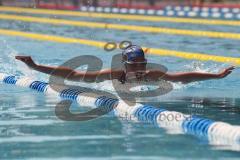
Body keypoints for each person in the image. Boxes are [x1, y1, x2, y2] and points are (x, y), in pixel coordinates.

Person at [15, 45, 234, 84]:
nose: (140, 67)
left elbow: (182, 77)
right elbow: (74, 75)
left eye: (143, 63)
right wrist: (35, 67)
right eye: (135, 64)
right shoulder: (112, 74)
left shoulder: (151, 75)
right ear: (125, 64)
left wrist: (217, 76)